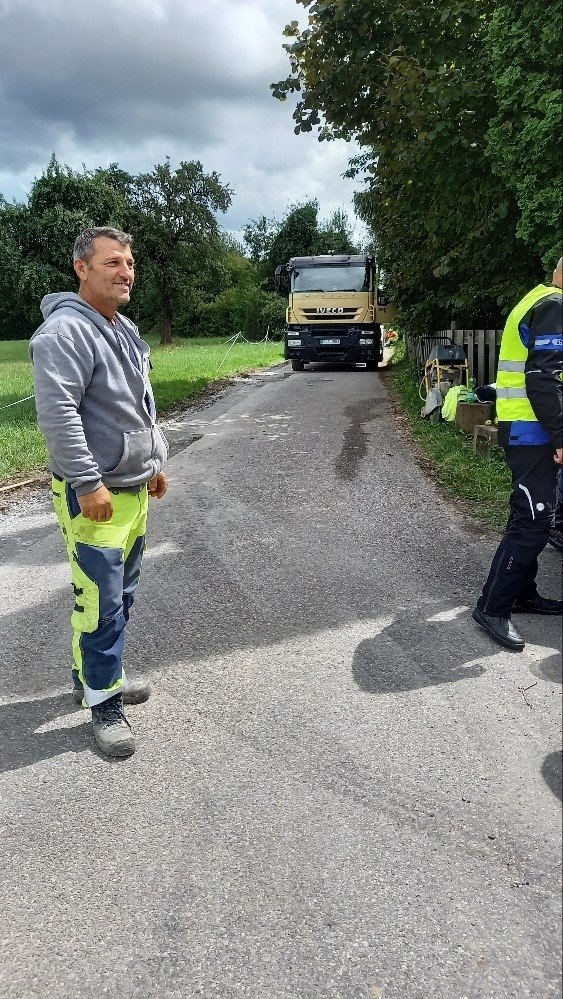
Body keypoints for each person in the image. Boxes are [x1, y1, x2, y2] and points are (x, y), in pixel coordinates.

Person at [30, 226, 168, 757]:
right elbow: (58, 416)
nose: (125, 272)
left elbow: (138, 404)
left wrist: (154, 463)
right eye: (112, 262)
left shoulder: (121, 327)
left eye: (129, 263)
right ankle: (104, 704)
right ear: (81, 268)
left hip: (132, 490)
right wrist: (87, 483)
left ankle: (91, 677)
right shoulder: (64, 333)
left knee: (119, 597)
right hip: (96, 496)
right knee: (100, 603)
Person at [472, 257, 563, 650]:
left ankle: (524, 593)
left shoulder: (537, 299)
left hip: (525, 427)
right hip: (533, 431)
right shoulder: (555, 305)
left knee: (527, 512)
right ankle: (492, 607)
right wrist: (561, 437)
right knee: (534, 521)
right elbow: (543, 378)